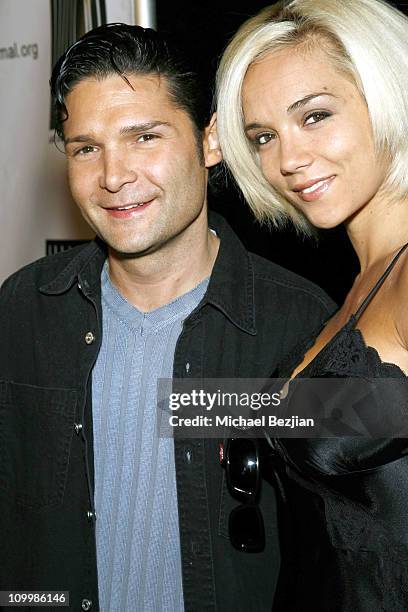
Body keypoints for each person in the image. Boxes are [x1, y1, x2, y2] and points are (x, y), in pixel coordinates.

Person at [0, 23, 335, 612]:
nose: (112, 176)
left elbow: (351, 551)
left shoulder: (306, 326)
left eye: (145, 137)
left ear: (210, 142)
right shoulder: (24, 309)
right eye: (85, 148)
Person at [215, 0, 408, 609]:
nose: (287, 160)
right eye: (263, 136)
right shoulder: (358, 287)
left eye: (315, 116)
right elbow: (364, 417)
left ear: (389, 95)